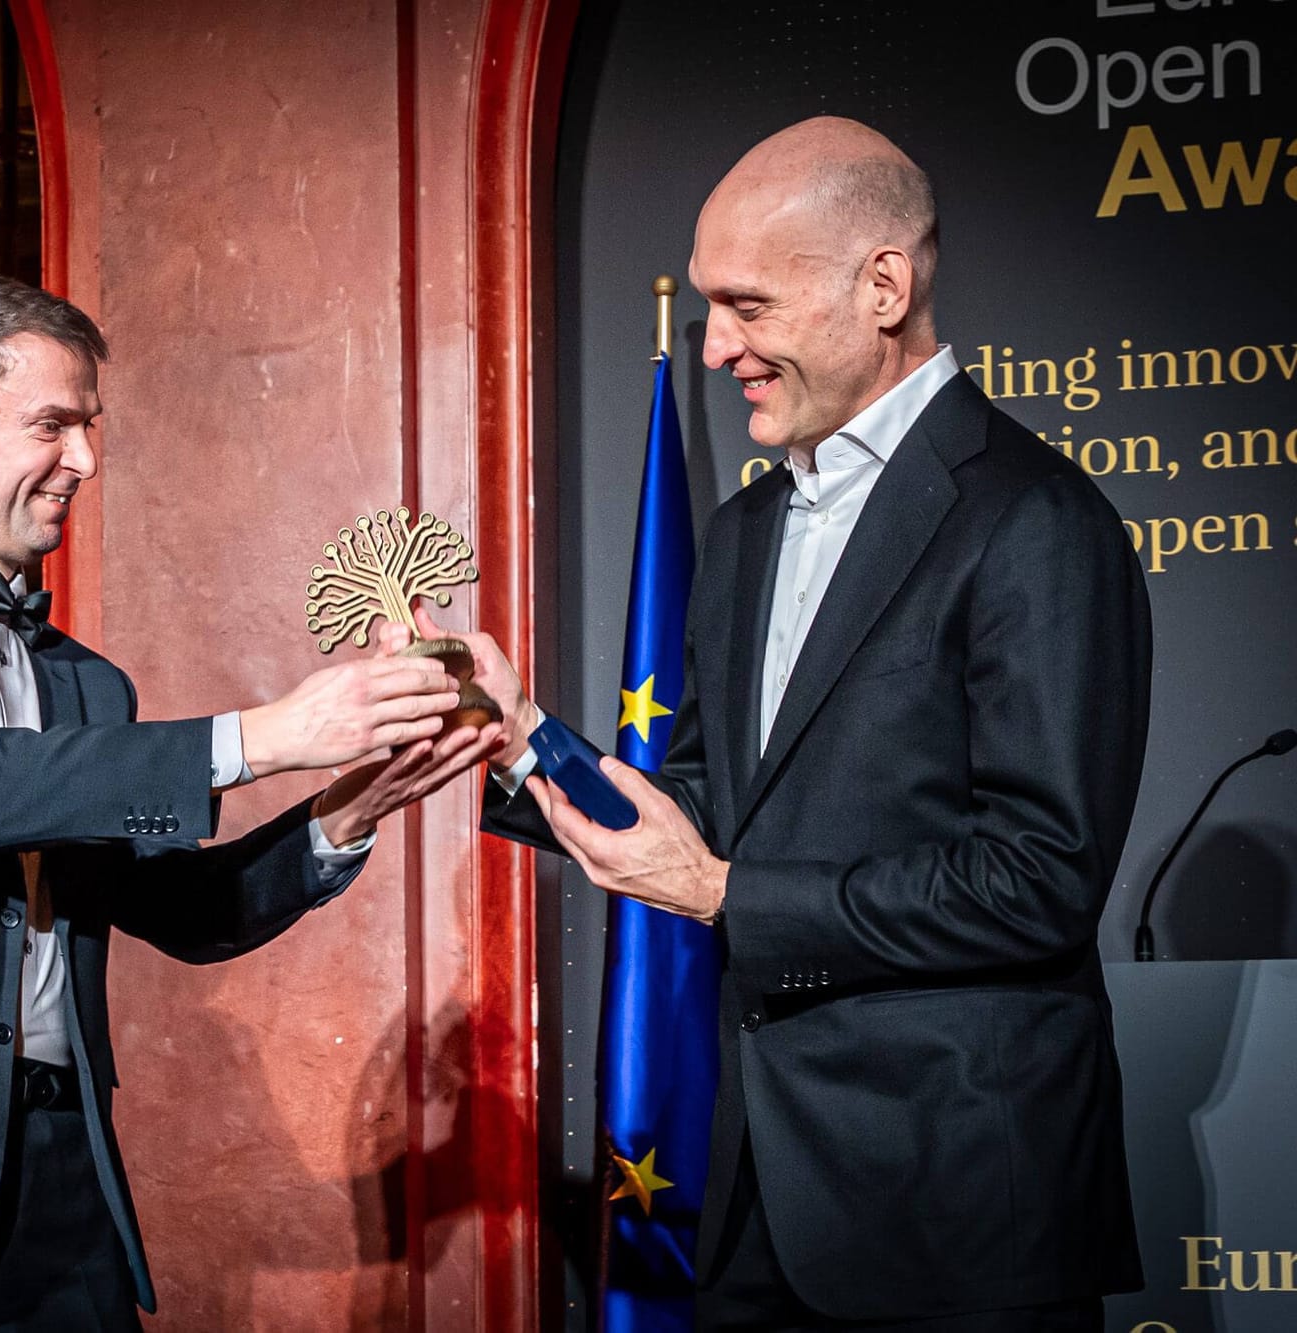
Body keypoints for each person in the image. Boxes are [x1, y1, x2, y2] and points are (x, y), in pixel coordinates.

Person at [0, 273, 503, 1330]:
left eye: (89, 427)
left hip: (62, 1181)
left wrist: (344, 810)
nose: (85, 460)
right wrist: (264, 735)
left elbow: (184, 909)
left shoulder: (86, 683)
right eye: (52, 425)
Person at [442, 117, 1150, 1328]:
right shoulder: (744, 532)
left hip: (957, 1209)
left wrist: (728, 897)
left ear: (882, 285)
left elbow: (1036, 881)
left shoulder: (1032, 520)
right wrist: (515, 741)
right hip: (761, 1192)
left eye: (746, 307)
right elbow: (707, 810)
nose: (714, 346)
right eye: (711, 310)